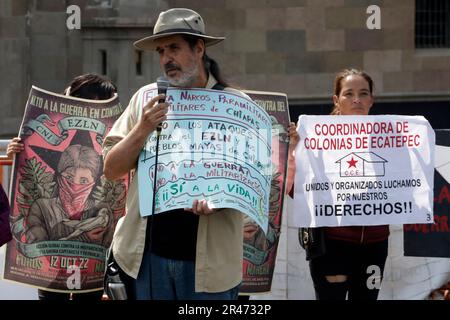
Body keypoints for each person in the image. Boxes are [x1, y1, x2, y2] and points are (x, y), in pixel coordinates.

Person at [102, 8, 253, 300]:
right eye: (161, 50)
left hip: (209, 269)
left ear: (198, 49)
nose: (166, 58)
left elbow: (253, 178)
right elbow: (111, 168)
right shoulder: (145, 99)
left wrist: (219, 202)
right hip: (146, 261)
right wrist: (142, 128)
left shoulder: (235, 105)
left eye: (174, 48)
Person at [7, 73, 118, 300]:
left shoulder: (102, 210)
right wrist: (17, 152)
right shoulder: (43, 206)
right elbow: (35, 236)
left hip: (93, 272)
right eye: (69, 178)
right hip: (50, 272)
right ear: (58, 176)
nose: (76, 185)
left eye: (85, 181)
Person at [290, 68, 389, 300]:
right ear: (337, 99)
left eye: (364, 93)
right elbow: (298, 191)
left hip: (375, 244)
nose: (356, 99)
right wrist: (295, 151)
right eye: (348, 94)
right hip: (333, 243)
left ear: (372, 100)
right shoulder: (315, 139)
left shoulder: (390, 139)